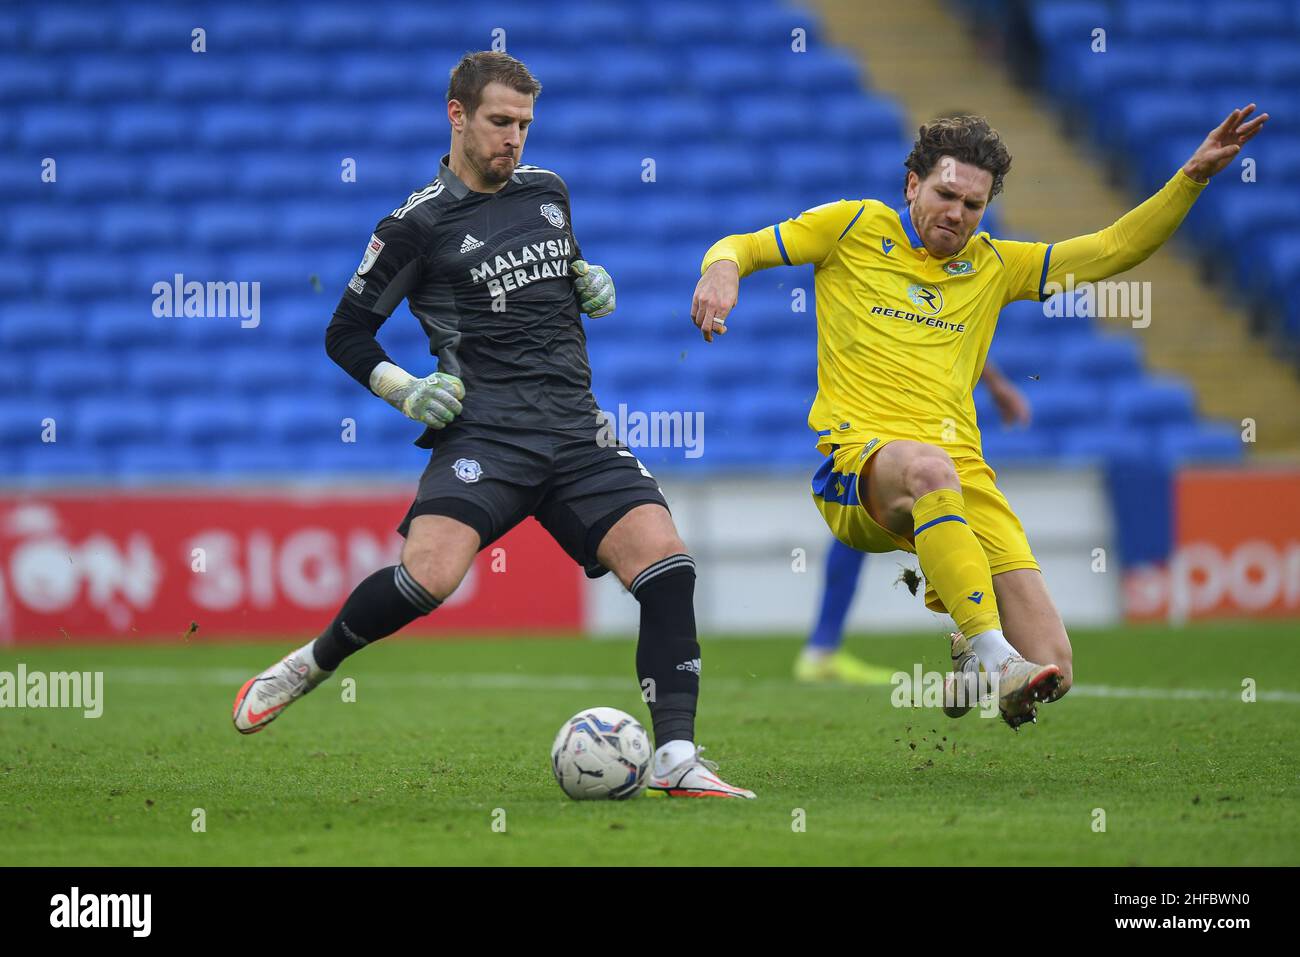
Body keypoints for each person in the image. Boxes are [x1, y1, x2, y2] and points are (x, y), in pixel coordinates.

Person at [232, 51, 754, 798]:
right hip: (487, 434)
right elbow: (344, 332)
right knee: (429, 578)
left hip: (578, 429)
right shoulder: (415, 225)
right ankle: (310, 663)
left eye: (525, 125)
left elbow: (558, 272)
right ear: (457, 116)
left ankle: (675, 756)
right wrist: (405, 389)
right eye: (501, 123)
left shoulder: (549, 192)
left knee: (668, 569)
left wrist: (586, 279)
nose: (516, 139)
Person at [692, 107, 1267, 726]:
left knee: (1052, 669)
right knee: (930, 469)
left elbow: (1112, 250)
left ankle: (973, 663)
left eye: (973, 204)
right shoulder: (852, 227)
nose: (956, 214)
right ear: (913, 183)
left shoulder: (995, 266)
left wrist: (1191, 178)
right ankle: (992, 654)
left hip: (961, 476)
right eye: (945, 194)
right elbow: (743, 245)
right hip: (856, 471)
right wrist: (722, 272)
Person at [796, 361, 1029, 685]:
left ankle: (823, 646)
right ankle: (822, 648)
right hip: (873, 408)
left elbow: (955, 318)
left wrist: (994, 381)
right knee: (904, 502)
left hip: (906, 409)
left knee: (915, 503)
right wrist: (996, 383)